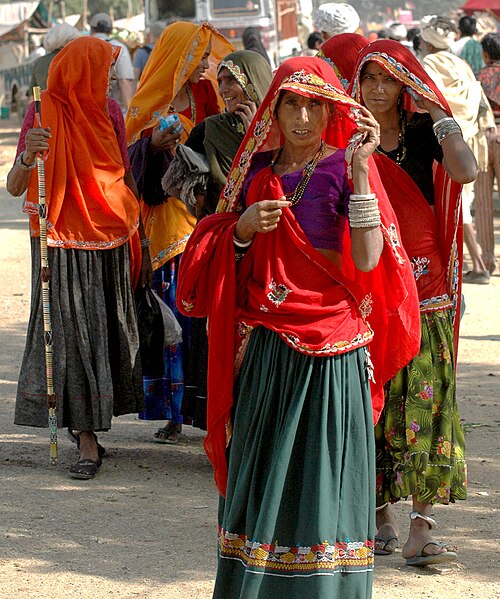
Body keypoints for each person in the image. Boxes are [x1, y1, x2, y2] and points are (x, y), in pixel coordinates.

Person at [177, 56, 420, 597]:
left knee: (322, 486)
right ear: (275, 108)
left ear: (331, 108)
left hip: (333, 352)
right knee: (264, 480)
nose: (304, 117)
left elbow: (369, 255)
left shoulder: (345, 168)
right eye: (292, 103)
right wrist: (240, 230)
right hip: (267, 351)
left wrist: (361, 172)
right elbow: (214, 262)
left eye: (315, 104)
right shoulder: (257, 175)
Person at [350, 39, 477, 566]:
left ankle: (421, 527)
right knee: (374, 402)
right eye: (370, 78)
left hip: (428, 291)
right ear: (356, 83)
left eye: (390, 78)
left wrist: (439, 113)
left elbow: (466, 172)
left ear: (406, 84)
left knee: (431, 402)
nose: (379, 88)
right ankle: (378, 517)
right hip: (373, 286)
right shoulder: (348, 139)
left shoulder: (425, 133)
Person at [7, 37, 152, 480]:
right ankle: (85, 439)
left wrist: (141, 244)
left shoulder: (109, 113)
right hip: (59, 241)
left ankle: (92, 428)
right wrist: (29, 155)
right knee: (70, 338)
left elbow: (126, 178)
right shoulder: (41, 111)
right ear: (79, 71)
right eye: (103, 70)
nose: (110, 79)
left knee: (103, 335)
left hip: (108, 239)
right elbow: (15, 186)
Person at [126, 22, 234, 443]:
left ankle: (204, 408)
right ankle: (174, 412)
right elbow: (131, 166)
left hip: (204, 216)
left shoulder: (207, 95)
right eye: (200, 55)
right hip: (168, 224)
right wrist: (153, 146)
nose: (207, 63)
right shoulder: (147, 101)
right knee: (174, 318)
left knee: (202, 321)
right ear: (179, 56)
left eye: (207, 55)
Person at [162, 50, 273, 430]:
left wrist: (256, 138)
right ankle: (228, 429)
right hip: (228, 248)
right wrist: (200, 202)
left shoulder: (284, 126)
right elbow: (174, 183)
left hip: (272, 250)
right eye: (221, 80)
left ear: (255, 82)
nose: (225, 89)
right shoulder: (209, 130)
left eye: (233, 81)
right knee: (224, 337)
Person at [420, 16, 493, 285]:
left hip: (445, 145)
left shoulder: (428, 64)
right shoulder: (460, 64)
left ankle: (477, 266)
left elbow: (429, 102)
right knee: (464, 205)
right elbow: (477, 97)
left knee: (456, 206)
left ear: (426, 42)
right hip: (469, 140)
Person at [476, 33, 500, 274]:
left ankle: (486, 263)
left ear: (485, 53)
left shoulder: (479, 77)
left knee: (483, 202)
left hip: (482, 138)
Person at [90, 13, 135, 110]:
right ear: (111, 30)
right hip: (112, 109)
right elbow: (124, 81)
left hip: (86, 109)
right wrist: (129, 114)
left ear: (91, 29)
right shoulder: (119, 48)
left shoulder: (83, 47)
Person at [29, 24, 78, 94]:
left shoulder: (40, 62)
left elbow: (33, 93)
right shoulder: (73, 60)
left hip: (44, 104)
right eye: (73, 40)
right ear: (66, 42)